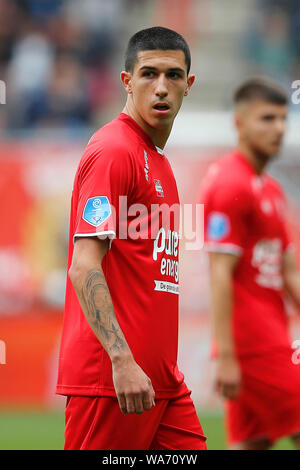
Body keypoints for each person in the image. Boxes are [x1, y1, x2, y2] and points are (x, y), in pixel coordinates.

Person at [56, 26, 207, 451]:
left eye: (174, 75)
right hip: (114, 383)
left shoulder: (157, 160)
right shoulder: (113, 151)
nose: (162, 87)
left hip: (162, 386)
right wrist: (122, 361)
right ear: (127, 81)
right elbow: (83, 265)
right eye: (149, 74)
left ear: (189, 85)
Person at [200, 77, 300, 450]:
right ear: (239, 123)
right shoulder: (229, 184)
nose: (278, 129)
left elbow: (288, 269)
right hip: (253, 343)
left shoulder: (270, 189)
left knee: (252, 443)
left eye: (282, 119)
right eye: (266, 119)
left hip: (270, 332)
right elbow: (219, 273)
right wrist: (225, 355)